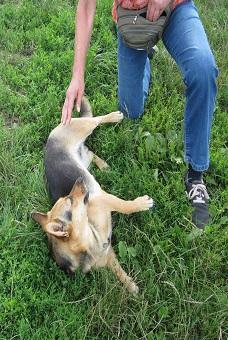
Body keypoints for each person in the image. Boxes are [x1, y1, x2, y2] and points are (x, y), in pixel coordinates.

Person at [61, 0, 218, 229]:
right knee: (130, 111)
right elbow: (85, 7)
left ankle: (196, 174)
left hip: (175, 7)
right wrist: (77, 75)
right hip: (132, 15)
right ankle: (143, 44)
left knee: (202, 70)